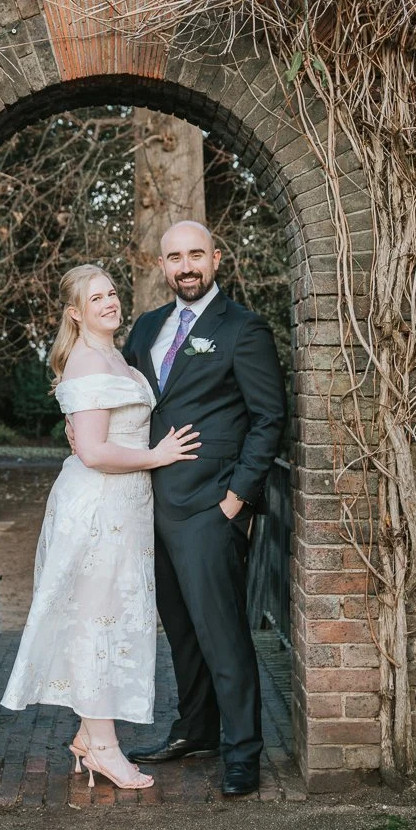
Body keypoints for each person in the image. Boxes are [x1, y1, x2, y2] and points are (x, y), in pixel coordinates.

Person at [0, 264, 202, 790]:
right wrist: (157, 456)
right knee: (95, 621)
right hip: (99, 508)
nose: (110, 302)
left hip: (126, 507)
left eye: (112, 293)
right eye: (97, 298)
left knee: (110, 620)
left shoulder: (116, 356)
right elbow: (91, 451)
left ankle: (92, 739)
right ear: (75, 312)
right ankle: (105, 749)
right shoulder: (88, 362)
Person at [121, 221, 286, 798]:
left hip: (210, 509)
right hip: (150, 507)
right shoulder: (145, 329)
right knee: (183, 633)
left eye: (196, 255)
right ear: (161, 266)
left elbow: (269, 419)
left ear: (216, 258)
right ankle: (196, 730)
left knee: (223, 636)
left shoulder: (243, 329)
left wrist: (236, 499)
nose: (186, 266)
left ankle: (243, 751)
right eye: (174, 257)